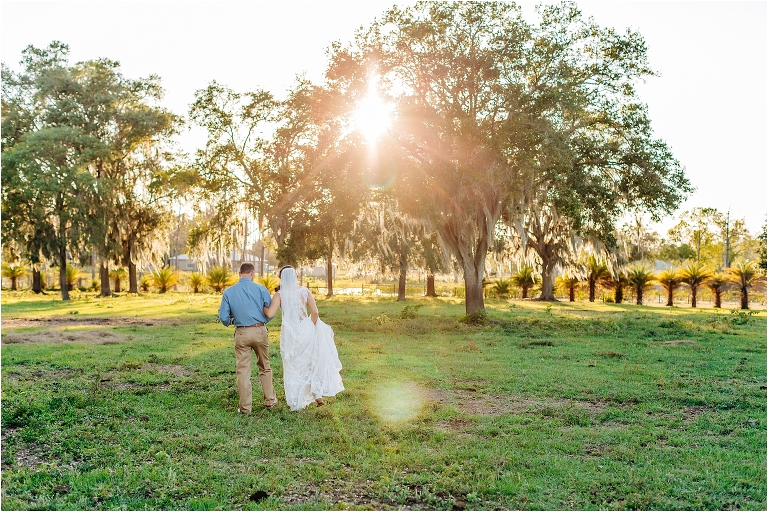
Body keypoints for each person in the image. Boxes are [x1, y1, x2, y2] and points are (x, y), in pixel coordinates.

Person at [264, 266, 344, 411]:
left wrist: (262, 307)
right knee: (310, 362)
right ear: (295, 276)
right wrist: (311, 326)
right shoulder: (304, 291)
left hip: (290, 334)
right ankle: (316, 393)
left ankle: (296, 401)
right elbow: (315, 312)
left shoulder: (279, 295)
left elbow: (269, 314)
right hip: (305, 329)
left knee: (293, 366)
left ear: (281, 278)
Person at [218, 262, 277, 413]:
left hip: (242, 332)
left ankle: (245, 408)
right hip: (259, 331)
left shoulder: (229, 292)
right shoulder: (261, 289)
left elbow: (223, 317)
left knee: (243, 370)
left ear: (239, 273)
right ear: (252, 274)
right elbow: (269, 312)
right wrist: (262, 322)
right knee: (265, 366)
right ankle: (270, 401)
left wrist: (231, 321)